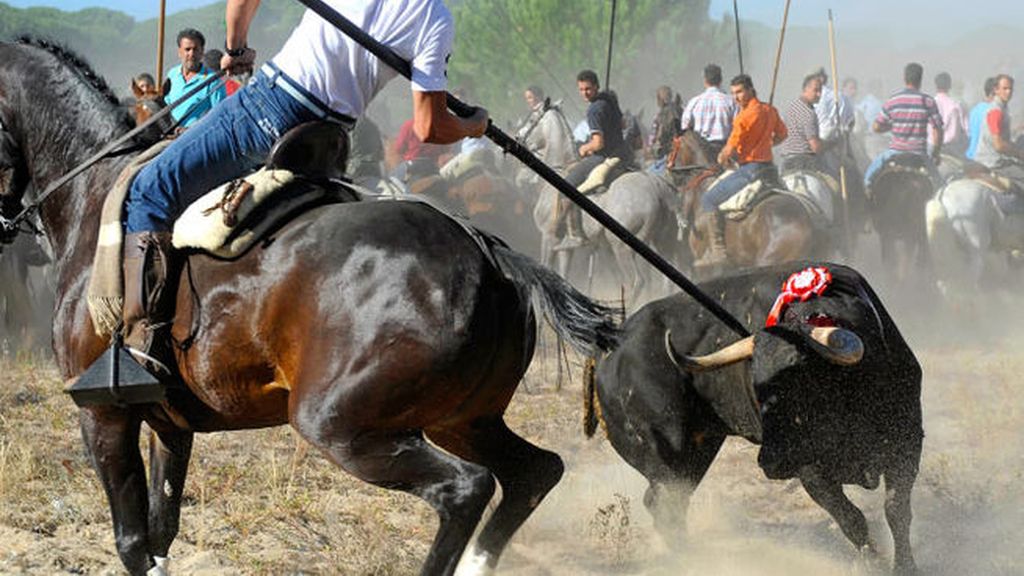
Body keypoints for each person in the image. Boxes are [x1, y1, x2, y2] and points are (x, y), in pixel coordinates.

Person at [120, 0, 489, 377]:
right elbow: (431, 125)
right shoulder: (436, 18)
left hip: (268, 109)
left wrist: (236, 48)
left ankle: (139, 350)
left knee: (150, 188)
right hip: (326, 141)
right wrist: (472, 125)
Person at [696, 74, 787, 268]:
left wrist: (722, 158)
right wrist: (768, 143)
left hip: (750, 170)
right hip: (769, 169)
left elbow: (731, 146)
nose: (736, 97)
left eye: (739, 92)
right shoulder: (770, 110)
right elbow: (782, 134)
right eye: (733, 93)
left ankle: (718, 253)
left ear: (750, 90)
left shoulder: (743, 117)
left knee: (708, 199)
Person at [554, 69, 631, 251]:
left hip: (604, 156)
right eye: (581, 90)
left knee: (565, 187)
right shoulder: (609, 99)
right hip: (623, 153)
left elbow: (598, 143)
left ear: (596, 86)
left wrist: (584, 148)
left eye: (588, 89)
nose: (584, 93)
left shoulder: (594, 109)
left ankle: (575, 235)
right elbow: (623, 124)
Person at [863, 63, 943, 189]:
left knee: (868, 178)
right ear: (920, 79)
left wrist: (891, 126)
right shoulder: (928, 101)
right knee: (941, 186)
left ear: (904, 78)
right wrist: (935, 154)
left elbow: (876, 127)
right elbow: (937, 130)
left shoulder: (894, 100)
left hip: (895, 151)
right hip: (919, 154)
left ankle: (867, 192)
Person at [164, 28, 226, 128]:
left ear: (202, 52)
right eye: (187, 49)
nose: (191, 54)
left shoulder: (213, 81)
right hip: (170, 135)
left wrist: (189, 130)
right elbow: (166, 106)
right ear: (179, 52)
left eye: (195, 49)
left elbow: (220, 117)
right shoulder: (172, 74)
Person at [973, 74, 1024, 192]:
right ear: (996, 90)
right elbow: (999, 145)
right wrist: (1019, 153)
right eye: (1005, 89)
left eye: (1010, 89)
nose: (1008, 92)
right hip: (992, 161)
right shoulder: (996, 111)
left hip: (994, 158)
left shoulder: (1002, 108)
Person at [681, 63, 738, 159]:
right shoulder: (732, 102)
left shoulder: (694, 102)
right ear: (720, 80)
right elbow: (739, 127)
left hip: (701, 154)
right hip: (726, 151)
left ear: (705, 81)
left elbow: (685, 127)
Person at [810, 67, 855, 177]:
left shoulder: (809, 98)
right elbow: (850, 122)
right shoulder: (841, 96)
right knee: (853, 175)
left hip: (812, 148)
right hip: (834, 148)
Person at [778, 73, 824, 173]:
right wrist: (831, 144)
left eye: (820, 91)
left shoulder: (791, 106)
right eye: (816, 90)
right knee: (832, 184)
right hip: (805, 162)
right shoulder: (808, 113)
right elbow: (815, 147)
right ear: (805, 89)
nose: (819, 94)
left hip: (786, 162)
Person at [392, 116, 450, 181]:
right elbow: (446, 149)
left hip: (412, 165)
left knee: (393, 180)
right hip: (432, 165)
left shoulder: (409, 125)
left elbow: (398, 148)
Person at [934, 72, 968, 157]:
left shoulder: (929, 104)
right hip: (951, 151)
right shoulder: (955, 106)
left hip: (931, 148)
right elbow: (966, 130)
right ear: (950, 86)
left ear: (936, 85)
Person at [647, 85, 682, 170]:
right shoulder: (680, 110)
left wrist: (650, 148)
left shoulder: (660, 115)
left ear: (659, 100)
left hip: (666, 155)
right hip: (681, 152)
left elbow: (655, 138)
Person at [966, 77, 997, 160]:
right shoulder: (994, 112)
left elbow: (970, 134)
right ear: (992, 94)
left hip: (971, 155)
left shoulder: (974, 110)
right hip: (987, 158)